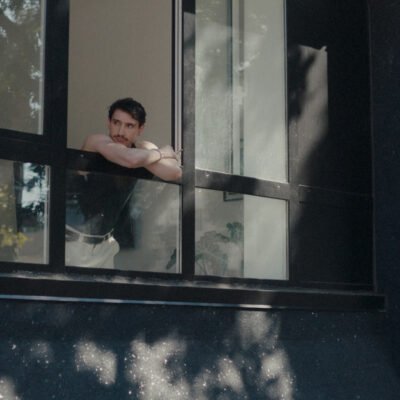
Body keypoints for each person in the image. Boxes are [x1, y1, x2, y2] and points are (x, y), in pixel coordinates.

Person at [65, 97, 181, 269]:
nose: (120, 132)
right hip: (73, 243)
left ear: (140, 129)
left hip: (106, 246)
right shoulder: (96, 141)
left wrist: (147, 152)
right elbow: (129, 159)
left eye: (129, 126)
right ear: (108, 123)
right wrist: (162, 152)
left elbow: (174, 172)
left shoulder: (141, 149)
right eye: (116, 123)